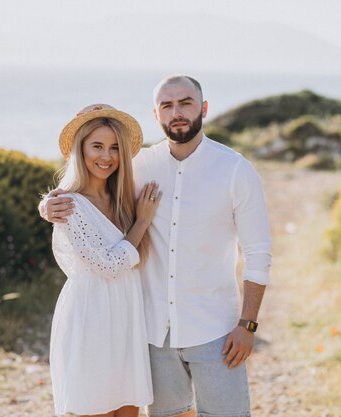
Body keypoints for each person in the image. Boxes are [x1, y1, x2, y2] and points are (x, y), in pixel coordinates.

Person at [41, 76, 272, 417]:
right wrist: (48, 205)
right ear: (156, 115)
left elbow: (258, 255)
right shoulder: (140, 167)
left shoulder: (236, 170)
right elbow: (87, 189)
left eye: (186, 103)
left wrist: (247, 325)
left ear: (203, 108)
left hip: (215, 330)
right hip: (152, 336)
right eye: (167, 105)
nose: (176, 112)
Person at [48, 104, 162, 417]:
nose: (106, 156)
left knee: (129, 409)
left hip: (126, 316)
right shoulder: (67, 204)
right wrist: (142, 222)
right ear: (79, 149)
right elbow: (109, 266)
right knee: (94, 406)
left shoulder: (123, 198)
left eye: (114, 148)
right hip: (91, 316)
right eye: (97, 146)